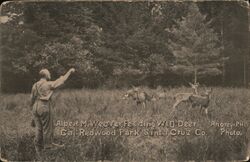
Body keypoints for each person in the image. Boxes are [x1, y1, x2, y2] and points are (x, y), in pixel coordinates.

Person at [30, 68, 75, 157]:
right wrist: (69, 72)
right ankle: (48, 148)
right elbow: (61, 81)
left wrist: (32, 112)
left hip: (35, 106)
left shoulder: (35, 85)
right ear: (46, 75)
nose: (50, 75)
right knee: (47, 128)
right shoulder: (48, 84)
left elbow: (31, 99)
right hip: (44, 106)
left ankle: (38, 148)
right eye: (49, 73)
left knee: (39, 128)